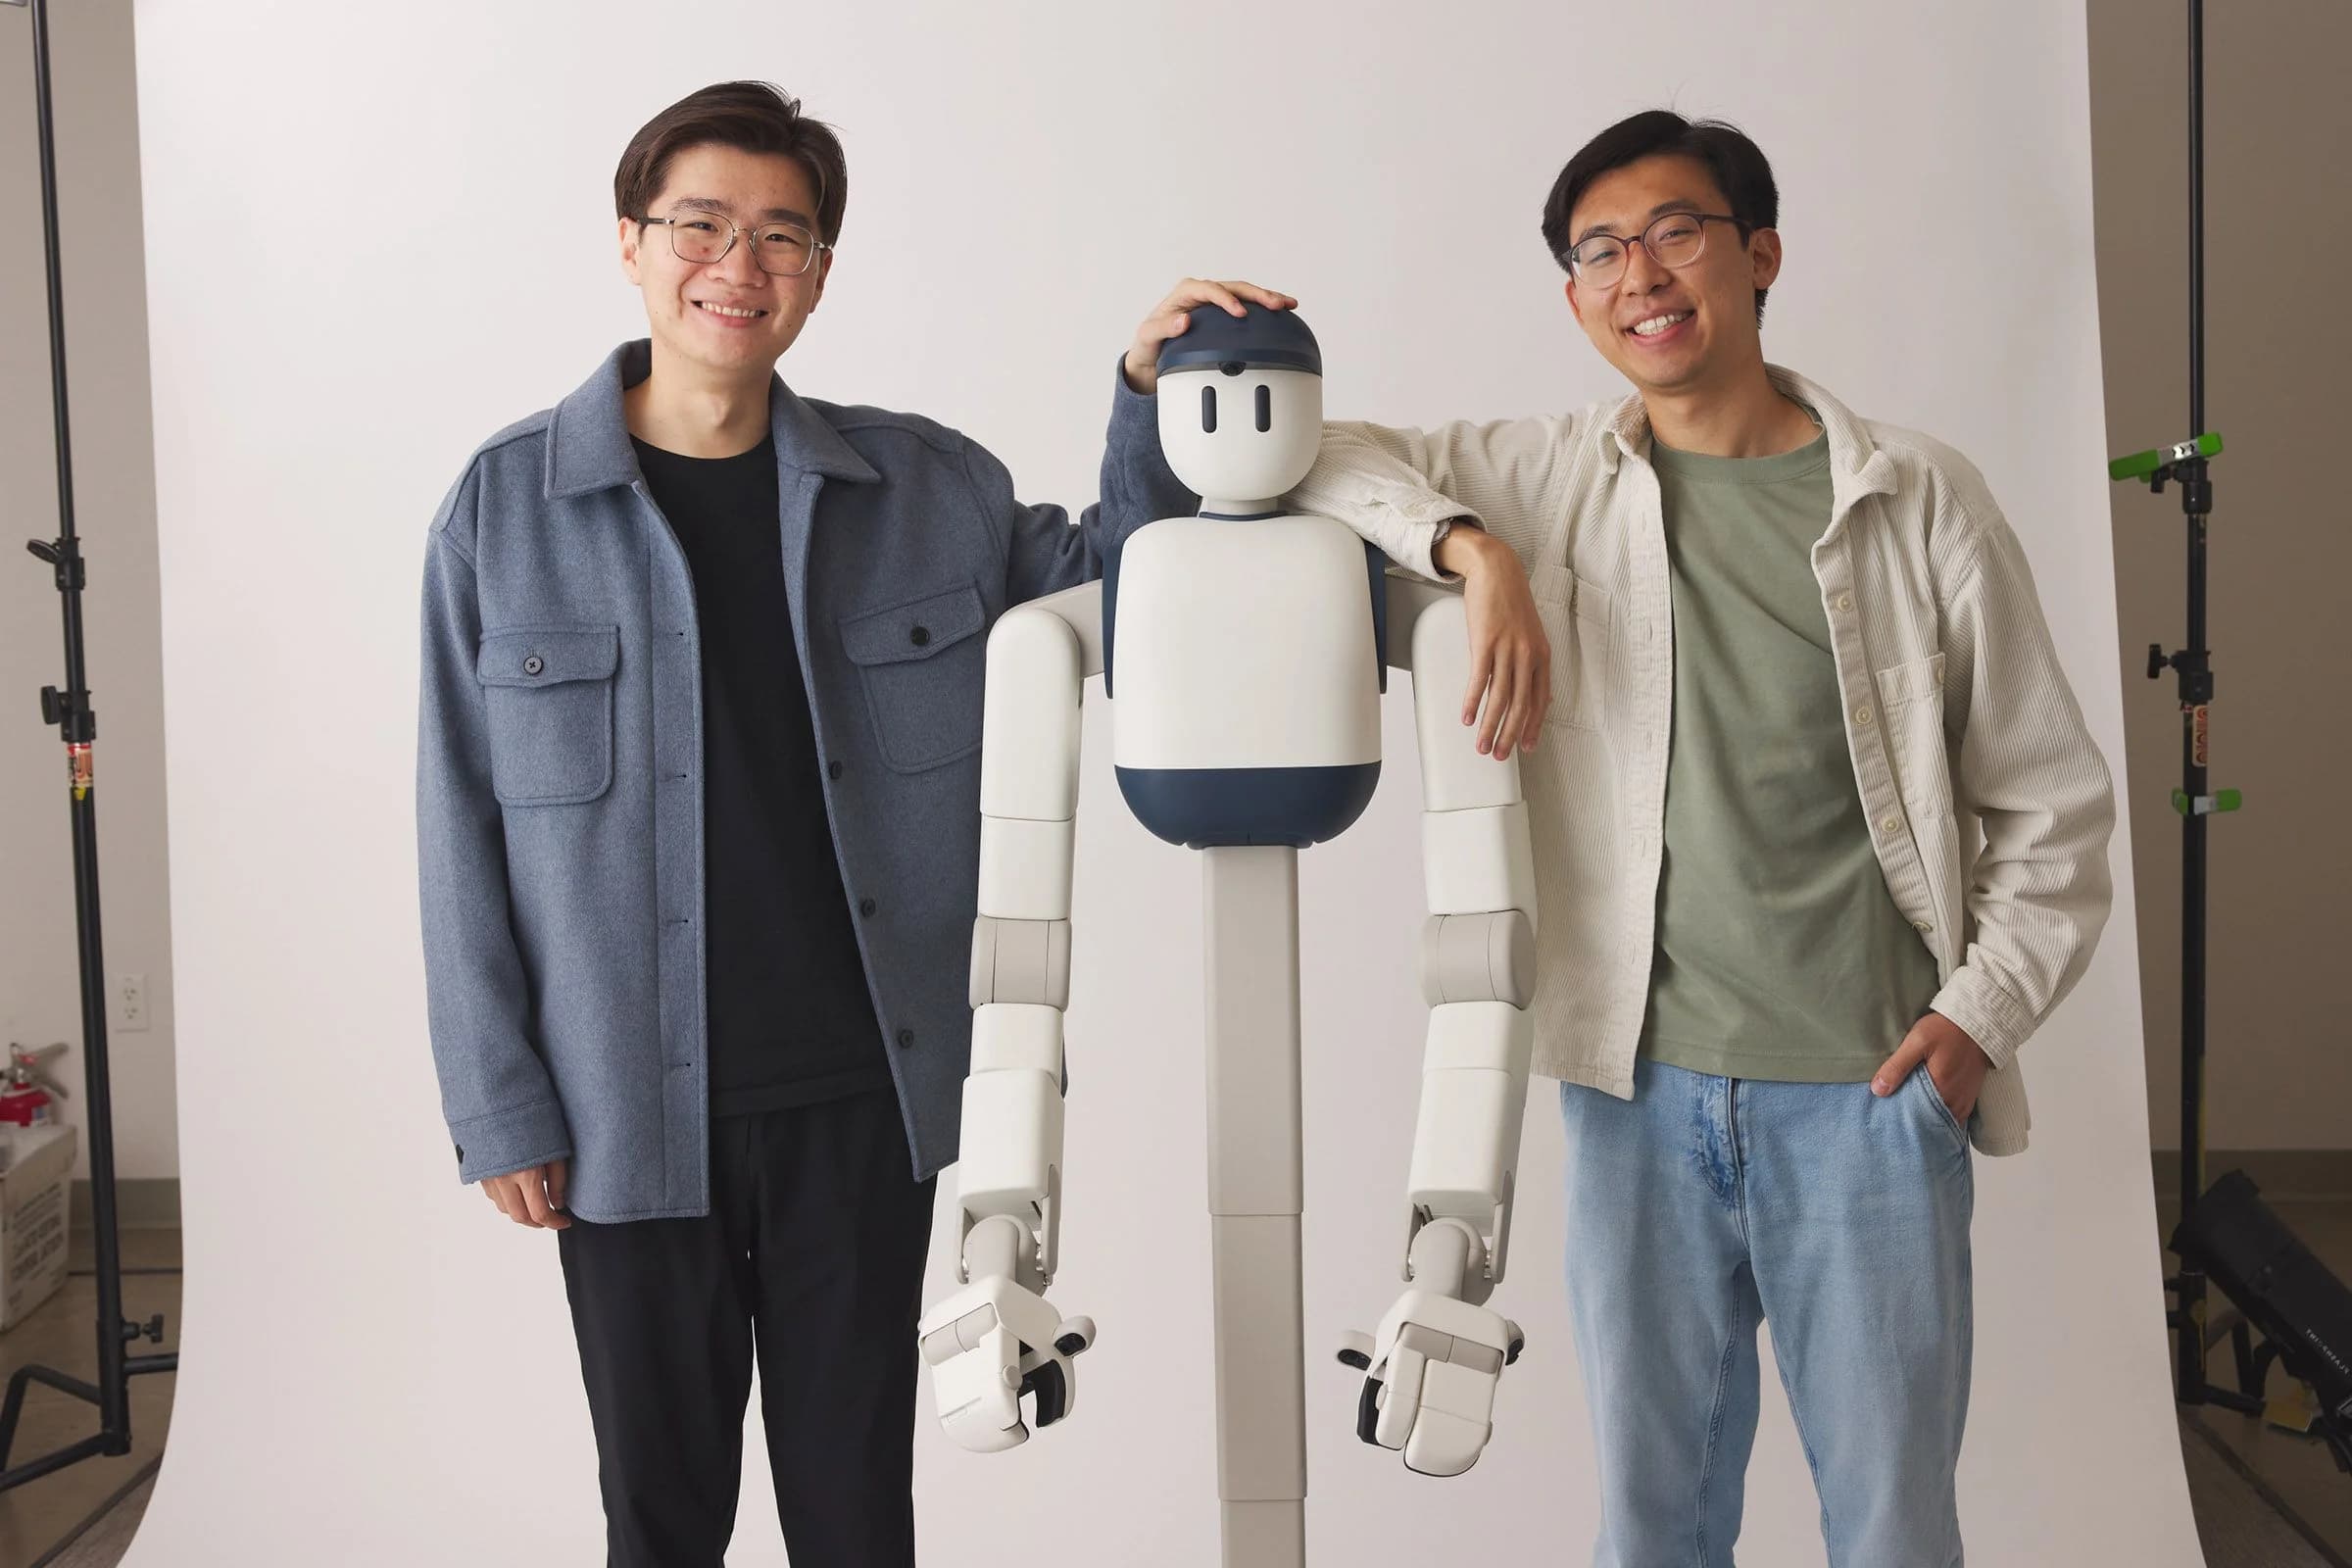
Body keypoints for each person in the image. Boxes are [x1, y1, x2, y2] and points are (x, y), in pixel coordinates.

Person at [1130, 110, 2119, 1566]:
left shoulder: (1916, 501)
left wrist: (1972, 1024)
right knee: (1653, 1528)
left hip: (1868, 1098)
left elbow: (2053, 809)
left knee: (1894, 1528)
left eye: (1676, 231)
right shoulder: (1545, 477)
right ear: (1577, 297)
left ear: (1758, 253)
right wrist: (1479, 550)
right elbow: (1311, 456)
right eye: (1599, 251)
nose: (1640, 273)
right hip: (1637, 1099)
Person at [415, 77, 1279, 1566]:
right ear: (631, 241)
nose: (737, 266)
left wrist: (1144, 397)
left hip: (860, 1102)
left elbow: (1134, 598)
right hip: (626, 1114)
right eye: (701, 223)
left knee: (858, 1511)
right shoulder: (504, 512)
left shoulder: (924, 491)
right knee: (661, 1518)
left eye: (783, 235)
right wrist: (501, 1102)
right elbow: (457, 825)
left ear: (820, 270)